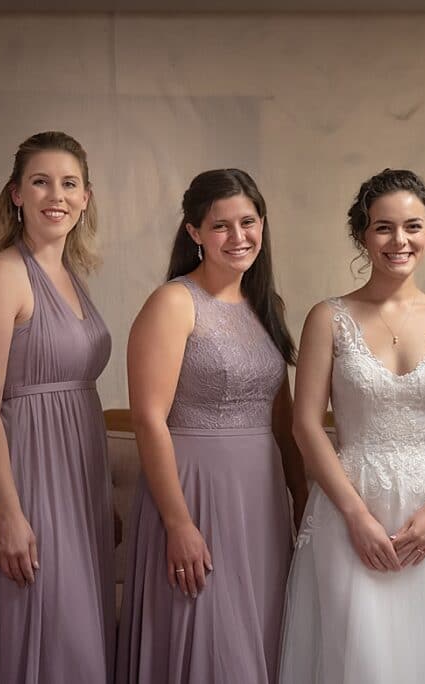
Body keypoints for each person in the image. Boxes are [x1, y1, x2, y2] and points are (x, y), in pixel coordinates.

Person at [280, 169, 425, 683]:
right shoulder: (329, 317)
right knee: (358, 655)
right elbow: (306, 426)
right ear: (362, 235)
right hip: (350, 502)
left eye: (413, 226)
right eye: (383, 227)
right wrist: (355, 516)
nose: (399, 240)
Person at [115, 169, 307, 684]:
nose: (238, 237)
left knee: (262, 633)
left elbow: (282, 419)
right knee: (207, 637)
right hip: (195, 493)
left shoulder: (266, 306)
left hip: (261, 499)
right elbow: (148, 418)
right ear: (194, 232)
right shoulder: (174, 302)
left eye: (248, 222)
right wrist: (178, 523)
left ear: (263, 225)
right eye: (221, 226)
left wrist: (303, 502)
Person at [0, 131, 115, 682]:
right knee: (43, 631)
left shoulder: (72, 277)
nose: (57, 195)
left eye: (69, 183)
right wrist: (8, 514)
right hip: (27, 478)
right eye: (41, 181)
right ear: (17, 194)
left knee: (83, 638)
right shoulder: (1, 276)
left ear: (86, 197)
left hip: (78, 476)